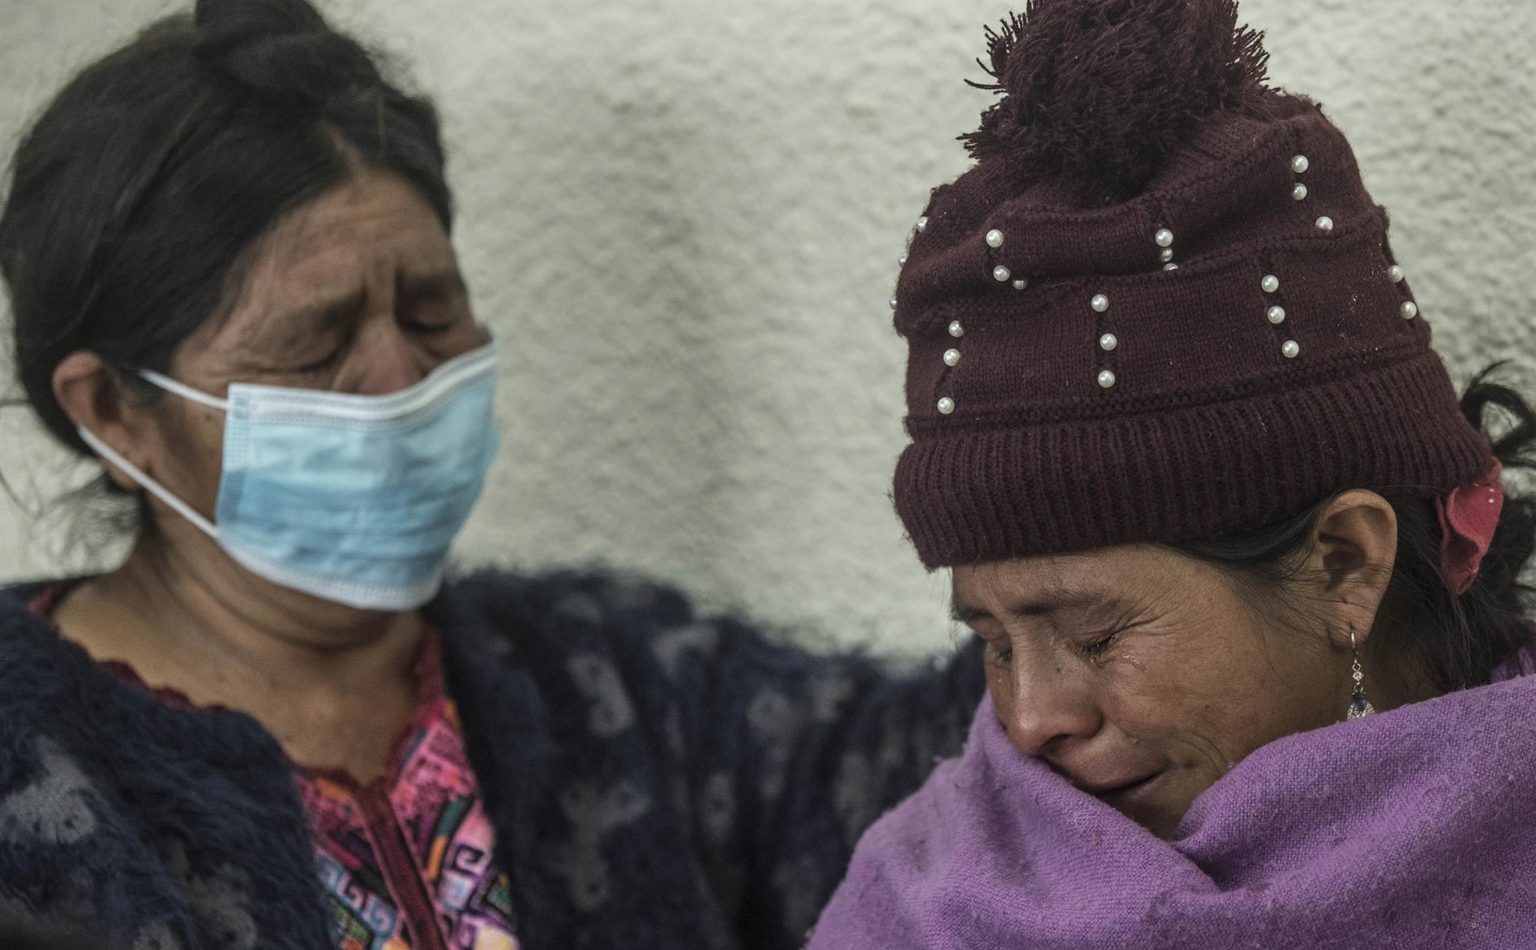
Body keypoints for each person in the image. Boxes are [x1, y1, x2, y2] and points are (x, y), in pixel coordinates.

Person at [0, 1, 983, 947]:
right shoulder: (25, 758)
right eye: (316, 343)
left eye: (431, 311)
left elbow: (950, 773)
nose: (402, 376)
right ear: (117, 413)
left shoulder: (606, 678)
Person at [809, 0, 1536, 946]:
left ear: (1345, 564)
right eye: (993, 642)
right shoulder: (925, 898)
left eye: (1095, 636)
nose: (1030, 723)